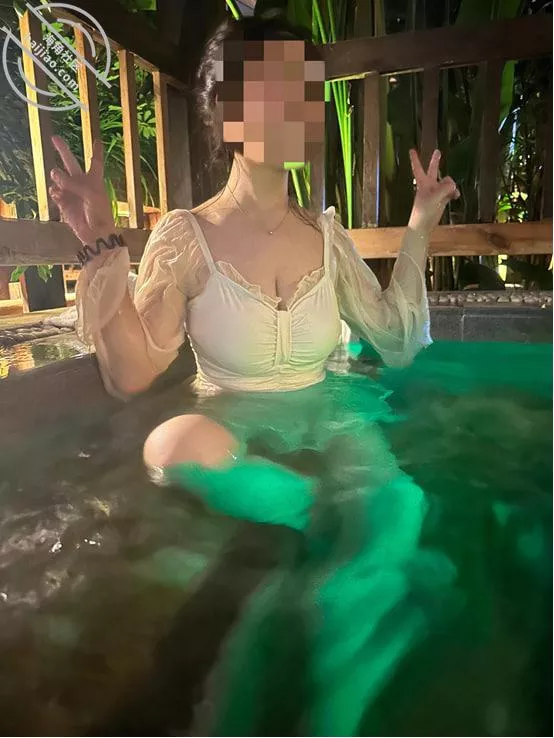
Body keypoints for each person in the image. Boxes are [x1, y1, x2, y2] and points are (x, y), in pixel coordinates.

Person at [49, 13, 464, 736]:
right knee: (168, 444)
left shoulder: (325, 237)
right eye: (280, 89)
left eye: (306, 90)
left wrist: (421, 222)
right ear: (229, 108)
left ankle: (336, 706)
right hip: (232, 414)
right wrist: (100, 243)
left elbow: (395, 340)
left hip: (330, 408)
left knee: (401, 501)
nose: (301, 107)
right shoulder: (188, 236)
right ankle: (321, 520)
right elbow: (135, 374)